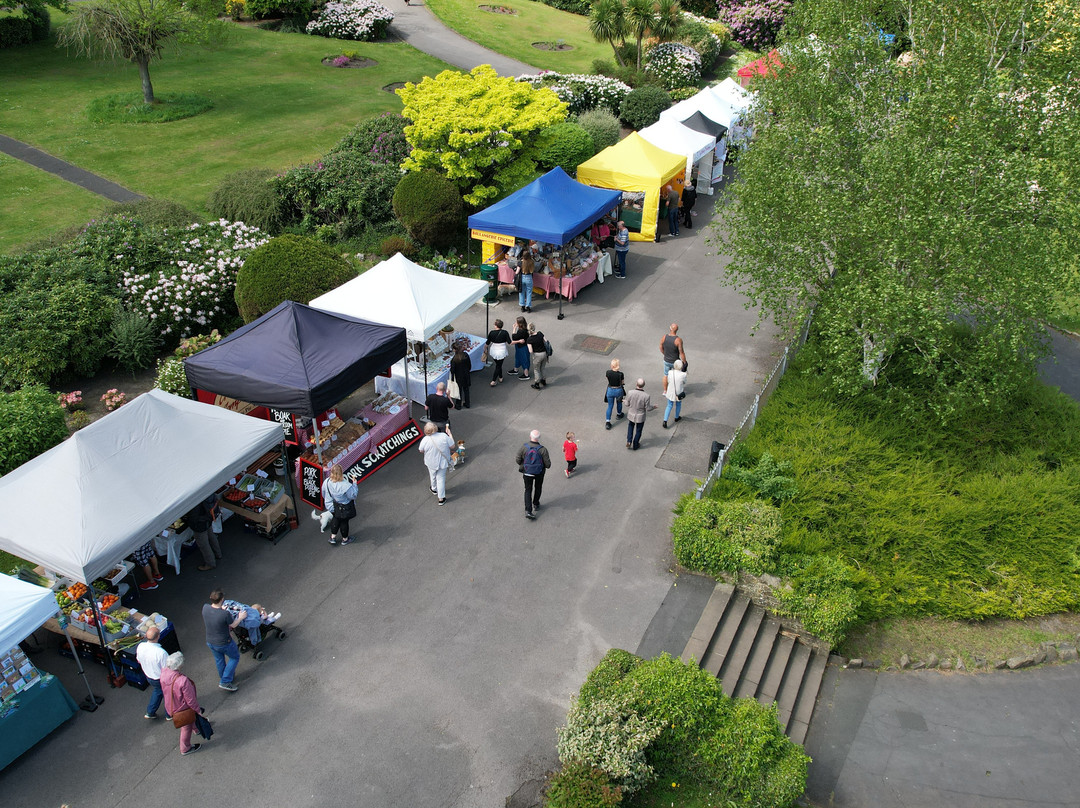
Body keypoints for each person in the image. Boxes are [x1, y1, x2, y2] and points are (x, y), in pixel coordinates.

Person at [160, 652, 204, 756]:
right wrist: (198, 710)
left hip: (171, 705)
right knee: (186, 727)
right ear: (179, 665)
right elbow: (190, 700)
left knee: (189, 721)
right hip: (182, 708)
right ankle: (185, 748)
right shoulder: (182, 680)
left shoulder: (164, 673)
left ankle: (196, 729)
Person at [202, 590, 244, 692]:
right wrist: (241, 617)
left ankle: (224, 676)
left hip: (210, 641)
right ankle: (225, 681)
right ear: (222, 599)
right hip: (224, 642)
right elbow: (233, 625)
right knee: (234, 657)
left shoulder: (205, 608)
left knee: (219, 659)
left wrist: (221, 609)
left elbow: (215, 615)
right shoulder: (225, 614)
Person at [515, 429, 550, 520]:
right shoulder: (543, 449)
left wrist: (525, 465)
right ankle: (536, 504)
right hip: (539, 473)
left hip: (527, 473)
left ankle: (528, 511)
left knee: (528, 490)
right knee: (538, 488)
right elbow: (548, 465)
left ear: (530, 436)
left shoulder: (524, 447)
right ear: (539, 438)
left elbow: (518, 459)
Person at [137, 625, 169, 720]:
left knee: (158, 691)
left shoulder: (141, 646)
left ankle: (150, 712)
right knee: (168, 695)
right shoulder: (161, 652)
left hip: (149, 676)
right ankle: (169, 714)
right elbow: (167, 668)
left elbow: (138, 660)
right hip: (160, 678)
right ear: (158, 636)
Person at [321, 464, 358, 546]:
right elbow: (353, 495)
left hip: (330, 506)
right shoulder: (345, 485)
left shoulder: (326, 482)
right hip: (343, 508)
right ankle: (345, 539)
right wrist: (354, 484)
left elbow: (323, 494)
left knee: (336, 517)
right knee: (344, 521)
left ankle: (332, 537)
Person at [418, 421, 454, 505]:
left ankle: (434, 488)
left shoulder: (425, 439)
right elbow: (452, 446)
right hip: (442, 462)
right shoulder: (444, 436)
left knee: (432, 475)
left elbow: (421, 450)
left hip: (430, 462)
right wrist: (450, 435)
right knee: (440, 479)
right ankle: (441, 498)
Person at [187, 493, 221, 572]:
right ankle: (218, 553)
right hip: (208, 519)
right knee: (211, 535)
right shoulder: (206, 493)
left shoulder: (194, 501)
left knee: (203, 544)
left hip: (200, 524)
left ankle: (210, 563)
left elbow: (194, 518)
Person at [624, 379, 655, 450]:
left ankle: (629, 441)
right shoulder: (646, 396)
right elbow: (648, 408)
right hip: (640, 416)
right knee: (639, 430)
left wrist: (625, 401)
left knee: (630, 426)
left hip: (631, 414)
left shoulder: (630, 392)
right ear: (643, 385)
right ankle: (635, 444)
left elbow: (627, 404)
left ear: (636, 384)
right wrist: (654, 407)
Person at [485, 318, 512, 386]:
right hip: (501, 350)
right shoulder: (505, 332)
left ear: (496, 325)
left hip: (494, 350)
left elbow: (487, 342)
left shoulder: (491, 333)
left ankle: (500, 377)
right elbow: (509, 342)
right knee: (499, 365)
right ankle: (494, 380)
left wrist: (485, 349)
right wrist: (519, 341)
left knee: (498, 365)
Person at [662, 359, 687, 428]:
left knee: (669, 405)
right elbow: (684, 382)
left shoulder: (670, 372)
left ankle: (665, 420)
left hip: (670, 391)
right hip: (678, 392)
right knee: (678, 404)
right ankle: (676, 417)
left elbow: (669, 380)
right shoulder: (683, 374)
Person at [604, 358, 626, 429]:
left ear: (612, 366)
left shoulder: (608, 372)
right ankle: (619, 414)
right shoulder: (621, 374)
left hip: (610, 390)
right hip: (618, 390)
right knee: (619, 403)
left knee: (610, 406)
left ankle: (608, 422)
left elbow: (608, 379)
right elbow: (622, 383)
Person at [449, 341, 472, 409]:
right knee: (466, 390)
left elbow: (452, 370)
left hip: (458, 377)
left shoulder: (454, 359)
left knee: (458, 391)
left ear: (455, 350)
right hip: (466, 375)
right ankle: (467, 403)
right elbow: (469, 366)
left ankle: (458, 405)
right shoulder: (465, 355)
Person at [526, 322, 548, 389]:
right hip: (544, 353)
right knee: (543, 368)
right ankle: (543, 380)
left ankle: (537, 383)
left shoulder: (529, 339)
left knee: (536, 369)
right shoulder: (540, 334)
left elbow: (530, 351)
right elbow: (546, 341)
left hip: (537, 355)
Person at [511, 316, 531, 381]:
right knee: (518, 358)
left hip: (522, 348)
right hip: (522, 346)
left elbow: (514, 337)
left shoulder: (521, 331)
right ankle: (515, 369)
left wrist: (514, 328)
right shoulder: (526, 329)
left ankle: (526, 374)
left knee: (524, 360)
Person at [518, 247, 535, 313]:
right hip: (529, 277)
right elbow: (533, 270)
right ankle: (528, 306)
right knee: (529, 293)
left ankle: (522, 306)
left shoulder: (520, 262)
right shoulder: (531, 262)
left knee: (521, 292)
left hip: (522, 277)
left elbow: (517, 272)